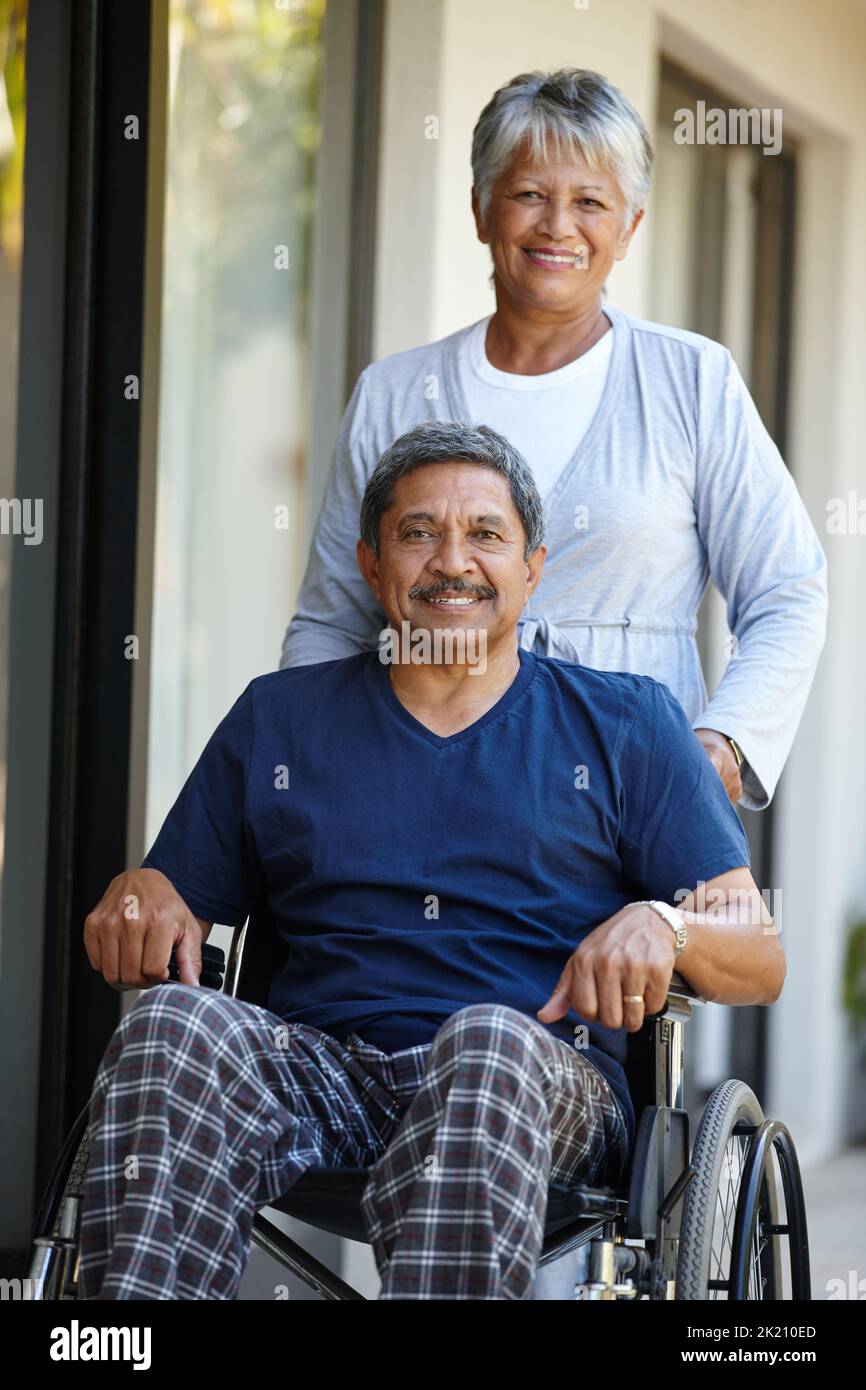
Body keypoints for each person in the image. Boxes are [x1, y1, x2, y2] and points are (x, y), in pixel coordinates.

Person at [80, 423, 783, 1301]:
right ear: (374, 568)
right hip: (321, 1074)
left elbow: (758, 956)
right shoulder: (279, 720)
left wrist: (669, 923)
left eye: (486, 534)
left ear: (534, 567)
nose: (454, 562)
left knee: (485, 1040)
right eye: (419, 534)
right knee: (169, 1027)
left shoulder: (628, 725)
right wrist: (139, 893)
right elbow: (160, 906)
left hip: (534, 1076)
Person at [280, 67, 827, 812]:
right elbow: (332, 621)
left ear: (630, 228)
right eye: (530, 194)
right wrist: (303, 778)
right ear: (480, 209)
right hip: (423, 798)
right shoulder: (395, 393)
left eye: (591, 202)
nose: (558, 227)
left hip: (635, 805)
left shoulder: (692, 380)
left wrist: (724, 744)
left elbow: (787, 590)